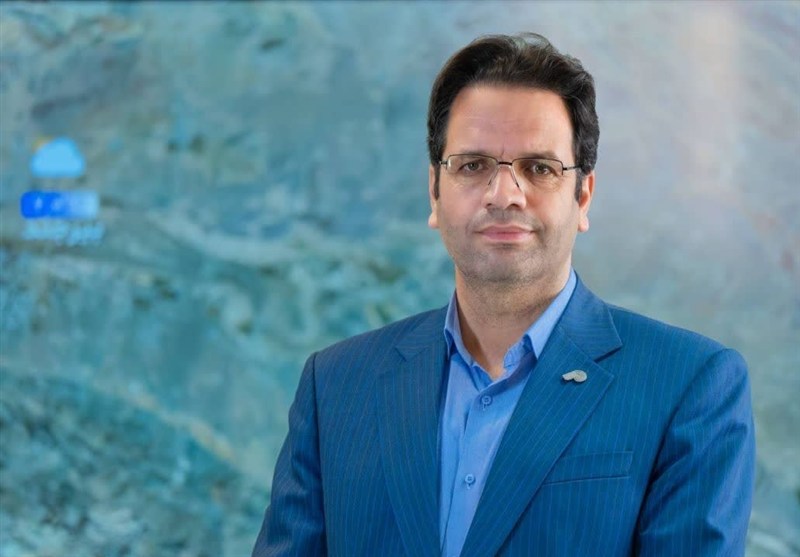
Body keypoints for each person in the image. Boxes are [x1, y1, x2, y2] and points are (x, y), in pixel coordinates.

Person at [252, 33, 755, 557]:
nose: (504, 194)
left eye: (539, 168)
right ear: (434, 191)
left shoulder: (689, 385)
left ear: (583, 196)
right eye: (473, 165)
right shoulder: (335, 386)